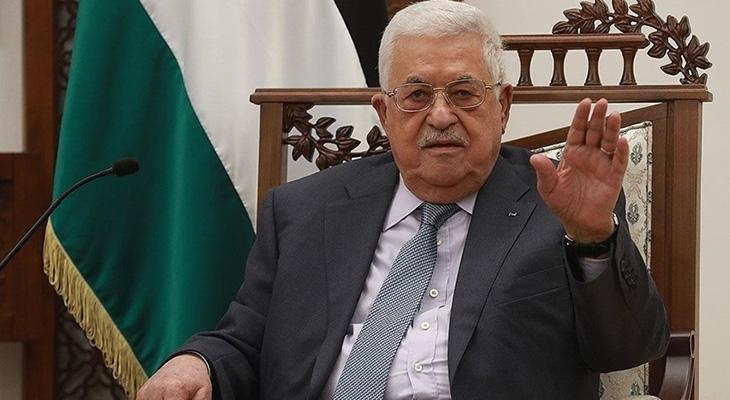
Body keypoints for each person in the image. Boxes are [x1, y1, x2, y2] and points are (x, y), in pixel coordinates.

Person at [137, 1, 668, 399]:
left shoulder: (560, 205)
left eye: (464, 93)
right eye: (416, 96)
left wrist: (593, 238)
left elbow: (627, 349)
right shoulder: (304, 211)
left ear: (503, 106)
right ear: (384, 112)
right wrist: (197, 363)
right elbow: (245, 339)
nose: (440, 115)